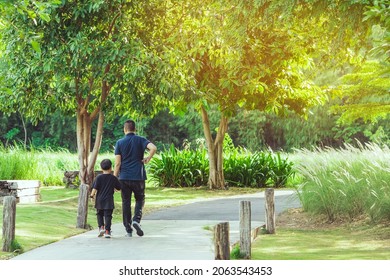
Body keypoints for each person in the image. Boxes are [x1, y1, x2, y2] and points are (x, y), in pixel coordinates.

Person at [114, 119, 157, 237]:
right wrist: (148, 158)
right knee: (140, 199)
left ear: (124, 129)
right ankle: (136, 220)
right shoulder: (141, 140)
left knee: (126, 202)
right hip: (138, 176)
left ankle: (128, 229)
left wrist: (114, 178)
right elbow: (153, 148)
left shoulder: (119, 142)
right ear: (135, 129)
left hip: (124, 177)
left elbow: (117, 163)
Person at [90, 159, 121, 238]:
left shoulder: (98, 177)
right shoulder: (113, 178)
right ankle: (107, 231)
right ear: (111, 168)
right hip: (109, 200)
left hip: (99, 200)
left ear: (101, 168)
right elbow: (119, 188)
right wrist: (115, 189)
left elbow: (95, 188)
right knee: (108, 216)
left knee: (99, 214)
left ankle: (101, 227)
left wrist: (92, 195)